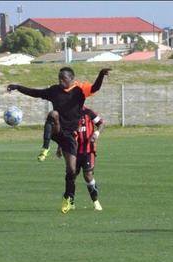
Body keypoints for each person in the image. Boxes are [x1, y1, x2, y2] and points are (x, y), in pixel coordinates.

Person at [7, 67, 111, 213]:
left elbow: (95, 87)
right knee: (53, 114)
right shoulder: (54, 90)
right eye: (59, 78)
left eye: (64, 78)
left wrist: (101, 75)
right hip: (58, 130)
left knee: (71, 170)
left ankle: (68, 198)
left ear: (72, 78)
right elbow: (35, 93)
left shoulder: (81, 90)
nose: (61, 81)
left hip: (69, 136)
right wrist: (18, 87)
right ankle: (45, 148)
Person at [56, 106, 105, 212]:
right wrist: (60, 147)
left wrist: (96, 133)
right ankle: (71, 201)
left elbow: (101, 123)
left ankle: (95, 201)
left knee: (88, 175)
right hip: (73, 152)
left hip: (88, 150)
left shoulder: (89, 112)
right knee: (71, 176)